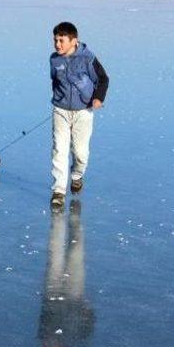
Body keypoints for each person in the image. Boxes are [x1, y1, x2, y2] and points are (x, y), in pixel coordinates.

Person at [49, 22, 109, 209]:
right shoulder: (54, 60)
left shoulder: (87, 58)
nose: (57, 44)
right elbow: (54, 80)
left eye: (61, 40)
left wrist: (98, 98)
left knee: (80, 153)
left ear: (74, 41)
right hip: (60, 111)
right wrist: (59, 99)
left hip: (83, 111)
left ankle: (76, 176)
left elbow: (103, 79)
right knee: (59, 150)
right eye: (55, 40)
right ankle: (58, 191)